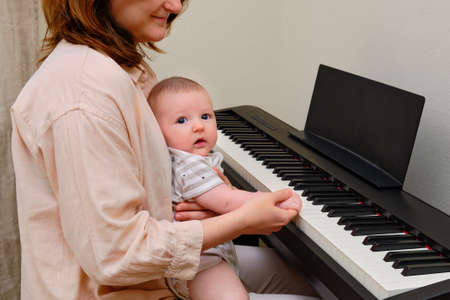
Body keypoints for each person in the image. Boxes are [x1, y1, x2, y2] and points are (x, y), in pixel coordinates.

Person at [10, 0, 320, 299]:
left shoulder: (121, 67)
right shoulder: (84, 96)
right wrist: (241, 220)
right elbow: (116, 255)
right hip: (123, 289)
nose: (175, 7)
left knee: (304, 277)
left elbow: (158, 173)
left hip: (158, 271)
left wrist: (210, 199)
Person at [147, 76, 303, 300]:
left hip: (211, 253)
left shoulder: (186, 158)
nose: (199, 126)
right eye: (181, 120)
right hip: (200, 264)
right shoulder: (187, 165)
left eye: (205, 116)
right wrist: (272, 199)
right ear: (158, 133)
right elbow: (227, 200)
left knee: (291, 272)